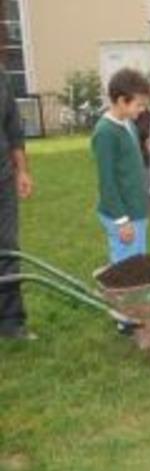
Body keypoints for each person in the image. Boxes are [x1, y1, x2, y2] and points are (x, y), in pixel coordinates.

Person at [89, 68, 150, 335]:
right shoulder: (105, 133)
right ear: (122, 101)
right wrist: (121, 220)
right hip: (122, 213)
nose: (142, 110)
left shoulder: (127, 123)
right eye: (139, 105)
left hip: (135, 209)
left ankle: (132, 308)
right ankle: (124, 317)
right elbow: (107, 182)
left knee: (136, 262)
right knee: (126, 266)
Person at [0, 69, 34, 340]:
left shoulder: (1, 77)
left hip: (3, 178)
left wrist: (22, 170)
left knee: (8, 249)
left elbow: (13, 128)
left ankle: (11, 322)